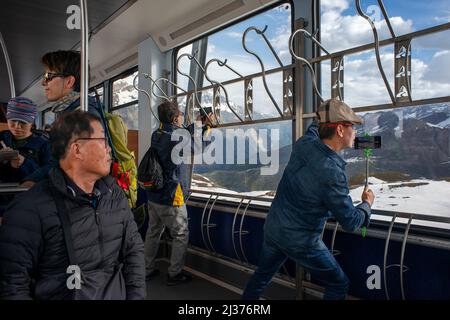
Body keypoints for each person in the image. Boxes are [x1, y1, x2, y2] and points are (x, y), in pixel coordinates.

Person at [0, 111, 145, 300]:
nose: (109, 149)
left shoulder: (114, 195)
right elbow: (13, 285)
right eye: (102, 140)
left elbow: (133, 251)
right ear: (77, 149)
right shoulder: (28, 209)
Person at [242, 98, 375, 300]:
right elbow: (350, 221)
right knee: (339, 283)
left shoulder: (304, 144)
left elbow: (315, 128)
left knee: (262, 276)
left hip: (274, 228)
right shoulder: (333, 173)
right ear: (340, 130)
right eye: (352, 126)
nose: (355, 132)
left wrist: (325, 109)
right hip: (301, 240)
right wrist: (367, 203)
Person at [144, 101, 213, 286]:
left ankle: (147, 269)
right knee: (181, 234)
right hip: (171, 194)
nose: (183, 117)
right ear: (175, 119)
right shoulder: (176, 136)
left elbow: (180, 132)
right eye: (181, 114)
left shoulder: (157, 134)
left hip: (154, 195)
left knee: (153, 231)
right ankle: (175, 274)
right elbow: (198, 148)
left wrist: (197, 124)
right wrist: (208, 128)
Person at [0, 97, 51, 184]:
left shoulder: (44, 144)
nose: (17, 126)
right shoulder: (1, 138)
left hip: (28, 193)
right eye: (13, 121)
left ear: (32, 123)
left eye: (23, 122)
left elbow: (49, 174)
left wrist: (25, 163)